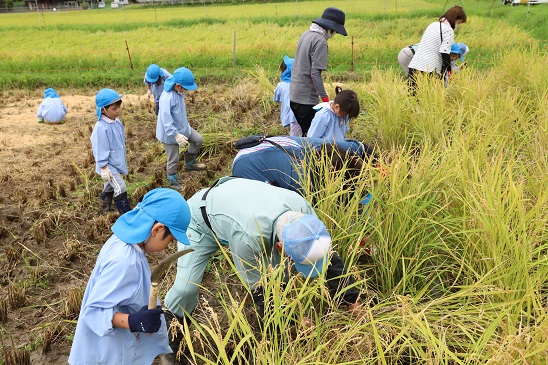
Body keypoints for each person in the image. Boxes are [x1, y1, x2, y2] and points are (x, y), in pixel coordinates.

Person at [68, 188, 192, 365]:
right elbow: (94, 312)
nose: (168, 246)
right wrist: (134, 321)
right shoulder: (125, 261)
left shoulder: (125, 241)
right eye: (170, 240)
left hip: (117, 348)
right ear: (157, 229)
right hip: (106, 355)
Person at [232, 136, 372, 195]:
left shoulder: (322, 147)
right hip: (245, 166)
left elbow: (361, 147)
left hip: (275, 146)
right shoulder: (302, 184)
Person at [290, 7, 347, 136]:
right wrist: (325, 99)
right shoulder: (320, 42)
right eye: (335, 32)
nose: (334, 35)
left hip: (294, 96)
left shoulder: (306, 34)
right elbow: (315, 74)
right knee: (313, 140)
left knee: (304, 135)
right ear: (330, 29)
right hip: (307, 100)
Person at [156, 67, 206, 189]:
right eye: (186, 89)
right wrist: (176, 135)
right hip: (170, 134)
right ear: (178, 86)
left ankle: (190, 163)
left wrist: (182, 130)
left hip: (183, 127)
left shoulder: (178, 90)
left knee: (198, 140)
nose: (187, 91)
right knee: (174, 158)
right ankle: (173, 181)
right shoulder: (167, 98)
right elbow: (166, 121)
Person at [407, 6, 467, 92]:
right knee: (430, 99)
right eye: (459, 23)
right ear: (455, 18)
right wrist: (449, 71)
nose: (458, 25)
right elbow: (444, 53)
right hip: (429, 69)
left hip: (415, 65)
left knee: (412, 98)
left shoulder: (433, 24)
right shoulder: (448, 30)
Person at [91, 88, 132, 214]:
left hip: (116, 160)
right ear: (103, 110)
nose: (118, 111)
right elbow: (100, 148)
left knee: (110, 184)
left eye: (118, 107)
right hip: (108, 164)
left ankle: (105, 204)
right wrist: (103, 167)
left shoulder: (117, 122)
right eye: (114, 109)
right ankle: (126, 214)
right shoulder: (101, 128)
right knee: (120, 187)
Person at [273, 55, 302, 136]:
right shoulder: (301, 84)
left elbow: (276, 98)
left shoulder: (281, 85)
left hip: (293, 117)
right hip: (301, 115)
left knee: (295, 141)